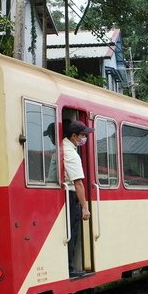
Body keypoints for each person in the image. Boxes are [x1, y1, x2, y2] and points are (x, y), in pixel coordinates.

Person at [63, 119, 93, 278]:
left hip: (68, 194)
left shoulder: (64, 148)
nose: (84, 138)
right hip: (71, 195)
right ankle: (69, 267)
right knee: (72, 233)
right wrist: (85, 207)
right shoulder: (71, 154)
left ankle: (69, 266)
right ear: (74, 136)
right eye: (82, 135)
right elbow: (79, 183)